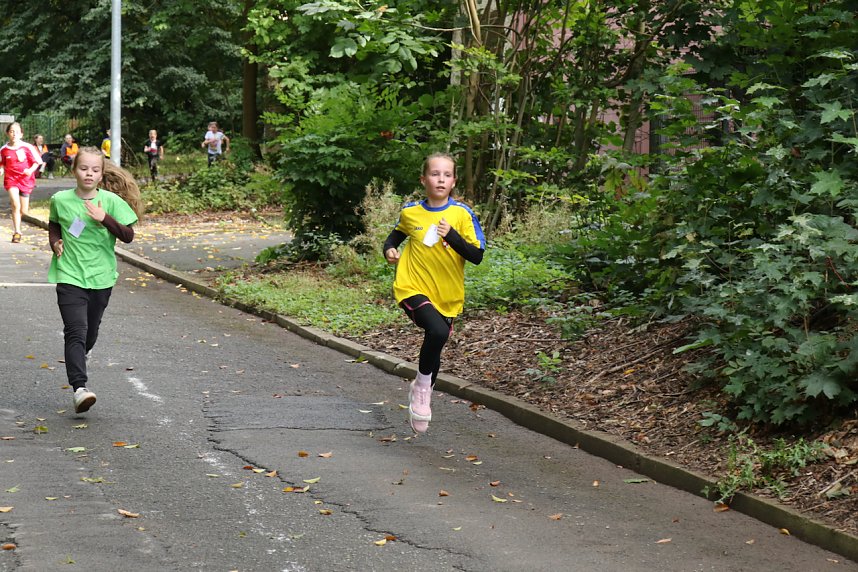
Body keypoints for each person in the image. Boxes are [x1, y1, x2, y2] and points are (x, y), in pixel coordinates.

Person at [382, 153, 486, 433]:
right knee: (437, 333)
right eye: (435, 174)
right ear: (423, 179)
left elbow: (476, 255)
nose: (440, 179)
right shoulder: (411, 211)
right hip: (411, 286)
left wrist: (452, 236)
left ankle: (422, 385)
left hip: (448, 294)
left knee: (436, 341)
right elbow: (395, 237)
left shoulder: (462, 214)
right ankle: (422, 392)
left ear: (453, 182)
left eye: (447, 175)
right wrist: (389, 250)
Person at [48, 147, 143, 414]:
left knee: (90, 331)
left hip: (101, 277)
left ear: (101, 175)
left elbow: (128, 235)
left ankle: (83, 353)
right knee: (75, 331)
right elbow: (54, 224)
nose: (89, 173)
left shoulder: (111, 202)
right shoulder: (60, 199)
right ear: (74, 171)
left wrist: (104, 219)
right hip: (69, 274)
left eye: (94, 170)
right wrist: (55, 242)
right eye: (83, 168)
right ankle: (80, 388)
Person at [0, 122, 43, 243]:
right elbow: (2, 163)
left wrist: (30, 170)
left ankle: (19, 222)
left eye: (17, 132)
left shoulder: (28, 147)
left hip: (25, 180)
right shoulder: (4, 149)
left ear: (21, 134)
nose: (14, 134)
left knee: (24, 211)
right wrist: (1, 170)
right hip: (11, 179)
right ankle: (17, 232)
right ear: (8, 133)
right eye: (12, 131)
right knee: (15, 204)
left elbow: (37, 161)